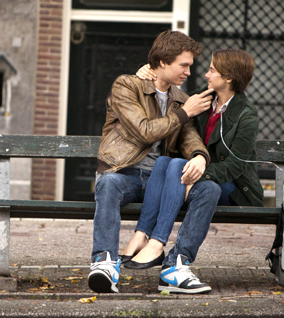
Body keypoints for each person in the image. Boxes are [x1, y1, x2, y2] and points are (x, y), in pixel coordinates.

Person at [89, 30, 220, 295]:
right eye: (183, 65)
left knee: (209, 190)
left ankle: (176, 267)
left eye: (190, 66)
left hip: (162, 180)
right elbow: (144, 130)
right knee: (109, 184)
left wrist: (199, 156)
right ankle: (104, 262)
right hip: (127, 174)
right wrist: (184, 113)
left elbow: (190, 137)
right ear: (162, 62)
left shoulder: (182, 100)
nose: (188, 72)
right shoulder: (127, 86)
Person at [121, 49, 263, 292]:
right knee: (167, 162)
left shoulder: (246, 115)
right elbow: (169, 104)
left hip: (234, 187)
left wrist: (199, 173)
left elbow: (235, 166)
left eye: (211, 70)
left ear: (228, 78)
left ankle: (158, 243)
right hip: (200, 179)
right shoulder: (204, 101)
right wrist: (147, 73)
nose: (206, 74)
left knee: (194, 177)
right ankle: (147, 238)